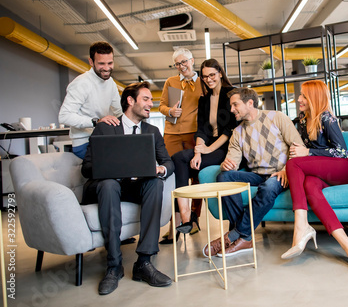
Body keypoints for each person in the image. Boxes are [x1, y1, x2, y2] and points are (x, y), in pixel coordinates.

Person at [81, 82, 175, 295]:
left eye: (151, 100)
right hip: (108, 186)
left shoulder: (152, 131)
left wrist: (160, 169)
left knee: (154, 182)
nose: (151, 103)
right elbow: (86, 167)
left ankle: (143, 262)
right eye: (146, 99)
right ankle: (114, 266)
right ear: (130, 101)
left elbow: (168, 163)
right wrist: (110, 169)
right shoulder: (106, 127)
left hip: (135, 187)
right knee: (109, 184)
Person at [203, 87, 305, 257]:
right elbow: (232, 162)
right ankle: (246, 237)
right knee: (223, 176)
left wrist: (287, 169)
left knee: (268, 187)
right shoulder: (237, 132)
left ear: (250, 103)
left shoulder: (277, 118)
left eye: (235, 105)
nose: (231, 110)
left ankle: (235, 235)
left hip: (281, 173)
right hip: (257, 175)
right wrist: (227, 165)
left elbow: (298, 147)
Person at [281, 80, 348, 271]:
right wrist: (286, 166)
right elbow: (298, 151)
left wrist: (309, 153)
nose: (299, 99)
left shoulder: (327, 118)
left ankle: (301, 226)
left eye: (303, 95)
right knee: (309, 185)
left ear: (314, 97)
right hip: (321, 172)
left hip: (343, 169)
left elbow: (342, 152)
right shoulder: (302, 121)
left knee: (294, 164)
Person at [172, 59, 237, 234]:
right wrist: (198, 151)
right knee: (178, 158)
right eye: (205, 76)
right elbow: (201, 129)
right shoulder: (205, 99)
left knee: (187, 165)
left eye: (212, 75)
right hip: (208, 145)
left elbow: (229, 130)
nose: (209, 79)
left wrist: (207, 150)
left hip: (227, 147)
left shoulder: (231, 94)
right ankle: (187, 218)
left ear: (220, 74)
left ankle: (191, 216)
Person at [159, 48, 203, 244]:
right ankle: (173, 226)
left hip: (195, 134)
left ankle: (193, 218)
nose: (181, 66)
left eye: (184, 62)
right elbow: (161, 105)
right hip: (172, 134)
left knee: (196, 176)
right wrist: (169, 111)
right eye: (177, 64)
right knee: (173, 177)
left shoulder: (203, 82)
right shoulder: (171, 82)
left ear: (192, 60)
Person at [59, 41, 122, 159]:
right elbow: (64, 116)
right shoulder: (82, 83)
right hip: (84, 143)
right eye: (101, 63)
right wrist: (96, 121)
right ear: (91, 62)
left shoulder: (110, 83)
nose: (107, 68)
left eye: (110, 63)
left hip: (102, 139)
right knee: (120, 163)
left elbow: (119, 111)